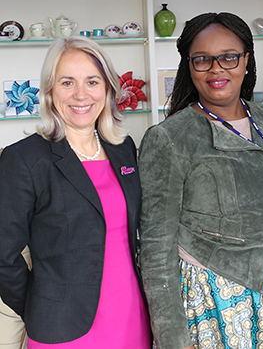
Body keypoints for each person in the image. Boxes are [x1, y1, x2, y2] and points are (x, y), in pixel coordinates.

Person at [138, 12, 263, 349]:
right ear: (189, 66)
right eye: (202, 60)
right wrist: (171, 335)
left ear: (246, 61)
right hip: (217, 298)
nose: (217, 69)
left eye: (229, 57)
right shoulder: (169, 138)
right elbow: (156, 246)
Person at [0, 36, 151, 348]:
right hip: (62, 328)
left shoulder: (124, 150)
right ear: (50, 91)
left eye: (92, 81)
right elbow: (3, 254)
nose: (81, 94)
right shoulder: (24, 159)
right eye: (67, 82)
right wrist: (39, 306)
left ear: (108, 89)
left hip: (132, 319)